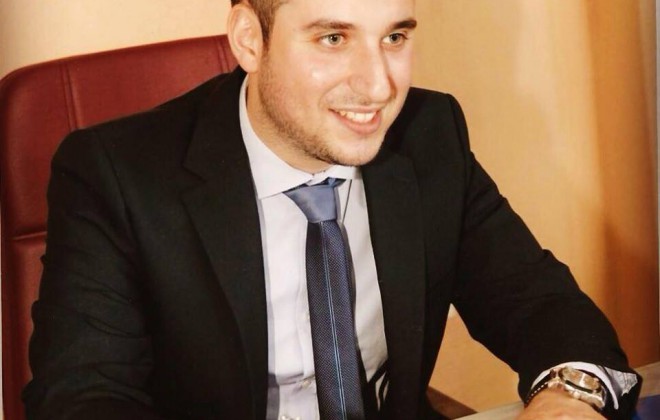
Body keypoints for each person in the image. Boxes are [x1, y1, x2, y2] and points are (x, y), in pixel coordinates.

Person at [24, 0, 641, 419]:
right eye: (333, 38)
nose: (378, 86)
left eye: (394, 37)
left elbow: (536, 300)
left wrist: (571, 393)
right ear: (249, 40)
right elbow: (84, 396)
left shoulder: (428, 136)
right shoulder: (116, 174)